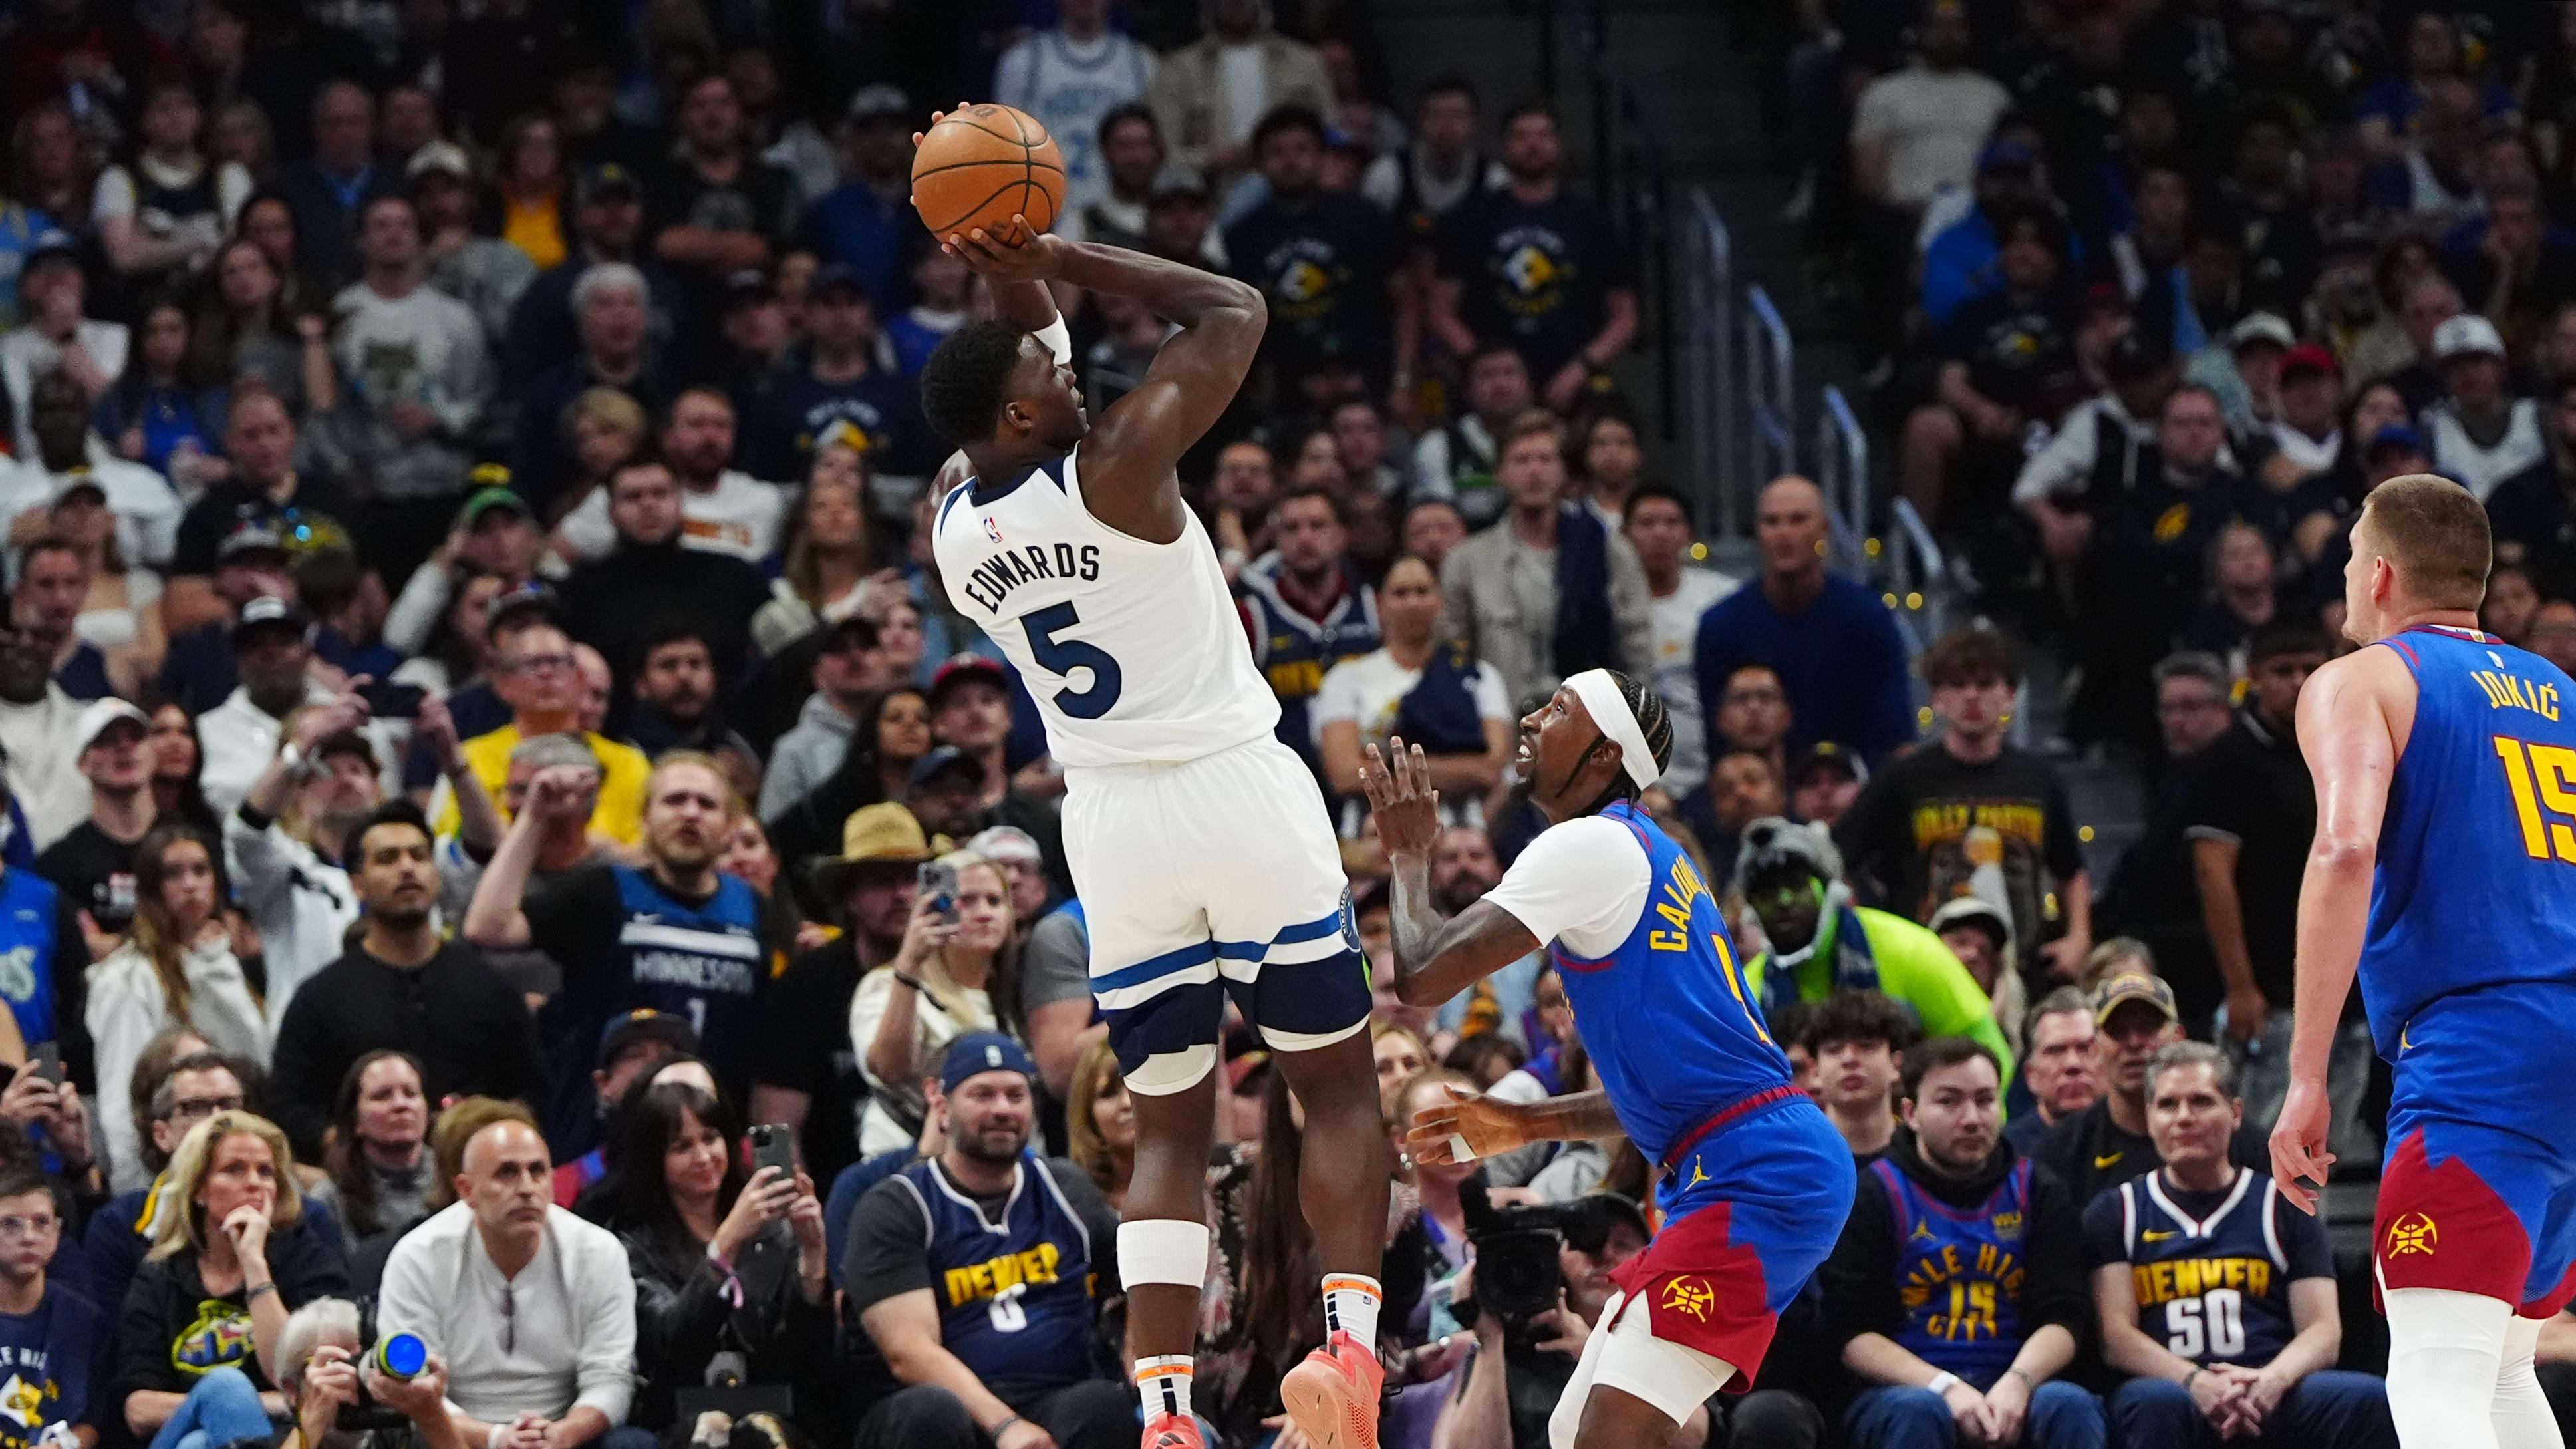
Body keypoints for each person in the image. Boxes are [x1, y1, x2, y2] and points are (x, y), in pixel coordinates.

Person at [915, 212, 1387, 1449]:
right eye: (1052, 378)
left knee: (1169, 1120)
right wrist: (1055, 251)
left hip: (1112, 825)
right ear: (1025, 415)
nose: (1071, 376)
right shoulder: (1121, 465)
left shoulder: (956, 529)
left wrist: (1006, 280)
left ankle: (1165, 1412)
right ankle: (1351, 1350)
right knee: (1332, 1085)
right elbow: (1233, 309)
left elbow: (1022, 370)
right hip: (1235, 784)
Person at [1360, 669, 1855, 1449]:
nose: (1529, 720)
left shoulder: (1588, 844)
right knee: (1575, 1432)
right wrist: (1522, 1121)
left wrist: (1411, 854)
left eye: (1558, 710)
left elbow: (1420, 973)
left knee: (1608, 1437)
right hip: (1745, 1153)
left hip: (1755, 1172)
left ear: (1601, 756)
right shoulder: (1645, 852)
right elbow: (1672, 1095)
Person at [2271, 474, 2576, 1449]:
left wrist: (2307, 1071)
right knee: (2499, 1366)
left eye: (2353, 558)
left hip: (2483, 1048)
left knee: (2434, 1375)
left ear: (2382, 573)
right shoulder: (2566, 693)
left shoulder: (2360, 679)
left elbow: (2344, 848)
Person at [465, 753, 766, 1160]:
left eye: (707, 804)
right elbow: (488, 926)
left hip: (709, 1146)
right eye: (675, 801)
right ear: (644, 818)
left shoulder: (753, 909)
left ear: (731, 827)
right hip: (602, 1141)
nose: (691, 814)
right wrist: (534, 819)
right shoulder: (605, 892)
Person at [2096, 1044, 2396, 1449]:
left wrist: (2272, 1381)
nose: (2184, 1117)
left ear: (2236, 1114)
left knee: (2365, 1400)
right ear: (2149, 1118)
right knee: (2151, 1402)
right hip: (2174, 1389)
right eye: (2168, 1105)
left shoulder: (2284, 1205)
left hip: (2270, 1387)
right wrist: (2194, 1381)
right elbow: (2116, 1336)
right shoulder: (2119, 1210)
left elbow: (2324, 1330)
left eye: (2201, 1102)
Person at [843, 1032, 1129, 1449]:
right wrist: (1005, 1426)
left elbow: (1133, 1282)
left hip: (1056, 1397)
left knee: (1102, 1405)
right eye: (982, 1095)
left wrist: (1140, 1358)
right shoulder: (896, 1206)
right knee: (929, 1413)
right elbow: (908, 1351)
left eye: (1016, 1095)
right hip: (948, 1409)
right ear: (942, 1107)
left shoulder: (1067, 1188)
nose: (1002, 1109)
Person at [1824, 1037, 2103, 1449]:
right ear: (1911, 1113)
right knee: (1918, 1412)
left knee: (2069, 1405)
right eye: (1949, 1102)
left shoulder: (2038, 1190)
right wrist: (1944, 1387)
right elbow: (1851, 1334)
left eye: (1986, 1100)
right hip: (1906, 1389)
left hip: (2017, 1378)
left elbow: (2065, 1316)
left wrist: (2018, 1382)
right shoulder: (1872, 1195)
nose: (1972, 1119)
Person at [2182, 621, 2368, 1151]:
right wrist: (2240, 986)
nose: (2298, 681)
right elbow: (2212, 874)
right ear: (2254, 678)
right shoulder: (2227, 761)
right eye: (2282, 671)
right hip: (2272, 990)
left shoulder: (2348, 749)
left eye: (2310, 669)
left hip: (2353, 989)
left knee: (2323, 1148)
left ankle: (2309, 1238)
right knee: (2262, 1143)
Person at [267, 800, 537, 1160]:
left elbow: (531, 1093)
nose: (407, 868)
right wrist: (358, 1152)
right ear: (357, 884)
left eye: (419, 855)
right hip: (363, 1193)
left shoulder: (489, 987)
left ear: (436, 875)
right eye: (388, 859)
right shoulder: (320, 999)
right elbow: (292, 1106)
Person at [376, 1099, 642, 1449]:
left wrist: (562, 1434)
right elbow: (416, 1391)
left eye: (538, 1171)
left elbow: (612, 1378)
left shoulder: (598, 1252)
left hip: (564, 1431)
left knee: (631, 1444)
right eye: (507, 1172)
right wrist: (497, 1438)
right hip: (453, 1434)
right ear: (466, 1190)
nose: (527, 1187)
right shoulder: (418, 1257)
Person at [1835, 627, 2092, 977]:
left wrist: (2078, 937)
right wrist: (1858, 930)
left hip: (2021, 970)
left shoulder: (2038, 778)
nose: (1972, 696)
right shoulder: (1903, 777)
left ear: (2010, 696)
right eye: (1957, 685)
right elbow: (1837, 858)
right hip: (1924, 971)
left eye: (1986, 684)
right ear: (1937, 698)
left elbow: (2071, 871)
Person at [112, 1110, 349, 1449]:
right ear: (198, 1189)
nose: (254, 1182)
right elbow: (138, 1410)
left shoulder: (304, 1259)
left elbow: (292, 1379)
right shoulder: (160, 1276)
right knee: (224, 1387)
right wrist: (232, 1401)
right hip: (178, 1433)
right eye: (234, 1169)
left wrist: (254, 1264)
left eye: (266, 1172)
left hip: (287, 1440)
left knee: (196, 1444)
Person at [616, 1080, 829, 1432]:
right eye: (682, 1146)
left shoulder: (776, 1232)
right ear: (655, 1159)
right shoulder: (634, 1249)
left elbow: (812, 1357)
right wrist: (726, 1241)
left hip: (776, 1410)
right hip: (680, 1418)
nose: (703, 1157)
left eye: (711, 1139)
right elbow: (670, 1346)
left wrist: (813, 1254)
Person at [1732, 818, 2015, 1074]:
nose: (1784, 901)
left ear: (1830, 887)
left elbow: (1990, 1057)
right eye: (1767, 892)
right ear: (1751, 909)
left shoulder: (1911, 950)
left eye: (1797, 885)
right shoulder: (1746, 994)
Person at [87, 826, 265, 1194]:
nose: (190, 885)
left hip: (233, 1162)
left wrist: (217, 970)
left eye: (201, 871)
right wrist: (136, 1192)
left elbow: (254, 1063)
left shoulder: (221, 964)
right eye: (174, 874)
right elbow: (123, 1096)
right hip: (160, 1177)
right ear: (151, 888)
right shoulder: (128, 977)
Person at [325, 192, 492, 581]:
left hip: (443, 491)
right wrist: (345, 468)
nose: (394, 234)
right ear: (361, 240)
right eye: (381, 225)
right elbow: (326, 407)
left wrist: (439, 418)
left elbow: (479, 399)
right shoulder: (340, 316)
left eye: (404, 225)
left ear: (420, 238)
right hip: (369, 495)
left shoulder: (456, 319)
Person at [1439, 410, 1651, 708]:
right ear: (1501, 472)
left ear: (1563, 470)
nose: (1535, 471)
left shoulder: (1609, 549)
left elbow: (1637, 644)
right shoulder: (1468, 560)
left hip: (1592, 724)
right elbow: (1453, 653)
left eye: (1546, 459)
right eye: (1522, 460)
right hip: (1503, 725)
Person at [1694, 476, 1914, 763]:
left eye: (1798, 520)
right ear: (1758, 532)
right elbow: (1719, 746)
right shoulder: (1721, 627)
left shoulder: (1867, 618)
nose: (1784, 533)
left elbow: (1895, 739)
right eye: (1772, 522)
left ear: (1823, 530)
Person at [1430, 102, 1637, 403]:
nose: (1533, 145)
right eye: (1522, 136)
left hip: (1573, 381)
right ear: (1504, 147)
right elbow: (1441, 309)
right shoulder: (1471, 218)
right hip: (1490, 390)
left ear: (1559, 145)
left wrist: (1582, 368)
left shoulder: (1592, 221)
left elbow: (1626, 316)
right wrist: (1484, 367)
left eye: (1544, 136)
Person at [1313, 554, 1512, 831]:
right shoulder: (1345, 679)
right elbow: (1344, 774)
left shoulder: (1481, 677)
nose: (1413, 602)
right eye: (1401, 593)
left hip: (1463, 834)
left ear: (1439, 602)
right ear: (1381, 605)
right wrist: (1458, 770)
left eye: (1422, 591)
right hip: (1372, 834)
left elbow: (1490, 770)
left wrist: (1395, 767)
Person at [2043, 970, 2264, 1214]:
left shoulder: (2242, 1142)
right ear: (2095, 1048)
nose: (2135, 1042)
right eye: (2119, 1030)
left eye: (2148, 1027)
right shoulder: (2060, 1153)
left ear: (2178, 1037)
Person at [435, 615, 652, 847]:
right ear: (503, 685)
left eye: (557, 662)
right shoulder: (470, 758)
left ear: (580, 679)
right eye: (532, 664)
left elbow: (646, 850)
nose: (546, 673)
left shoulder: (627, 762)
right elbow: (450, 842)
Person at [1239, 486, 1381, 774]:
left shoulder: (1375, 607)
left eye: (1318, 526)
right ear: (1276, 539)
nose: (1304, 537)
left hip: (1364, 780)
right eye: (1291, 528)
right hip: (1280, 780)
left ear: (1342, 535)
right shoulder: (1250, 616)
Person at [1624, 488, 1735, 800]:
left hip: (1711, 764)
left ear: (1688, 532)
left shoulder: (1721, 600)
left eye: (1672, 522)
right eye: (1647, 523)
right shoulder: (1605, 609)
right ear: (1625, 533)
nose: (1660, 533)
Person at [0, 1162, 109, 1449]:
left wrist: (65, 1446)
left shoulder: (85, 1320)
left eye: (42, 1222)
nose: (28, 1237)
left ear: (58, 1232)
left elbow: (96, 1420)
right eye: (10, 1224)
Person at [311, 1049, 433, 1277]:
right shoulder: (329, 1201)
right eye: (383, 1096)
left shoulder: (456, 1178)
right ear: (356, 1121)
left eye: (411, 1093)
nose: (401, 1105)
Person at [1797, 990, 1916, 1163]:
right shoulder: (1794, 1159)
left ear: (1896, 1065)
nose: (1849, 1060)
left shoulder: (1926, 1157)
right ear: (1816, 1070)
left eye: (1867, 1047)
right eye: (1833, 1049)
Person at [2005, 988, 2103, 1154]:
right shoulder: (2005, 1155)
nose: (2073, 1065)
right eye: (2056, 1051)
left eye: (2086, 1048)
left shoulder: (2142, 1138)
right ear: (2031, 1075)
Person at [1065, 1038, 1134, 1211]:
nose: (1127, 1103)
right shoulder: (1067, 1202)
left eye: (1137, 1088)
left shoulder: (1208, 1185)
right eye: (1109, 1094)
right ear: (1087, 1113)